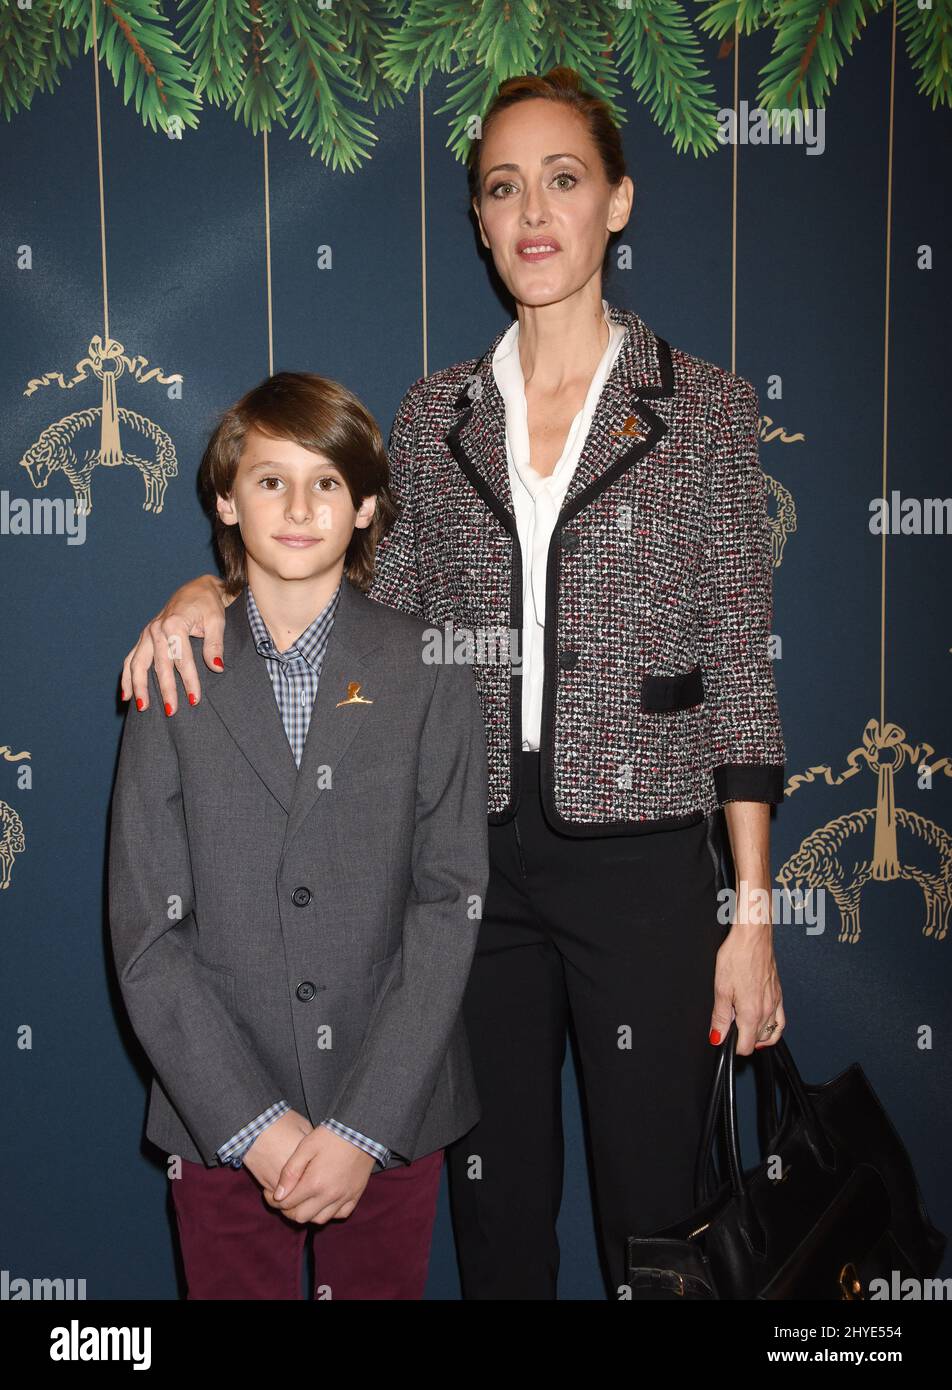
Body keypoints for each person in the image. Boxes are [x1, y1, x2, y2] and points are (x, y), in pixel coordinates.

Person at [118, 67, 787, 1300]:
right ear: (479, 222)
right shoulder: (432, 420)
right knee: (495, 1225)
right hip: (466, 870)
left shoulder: (702, 411)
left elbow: (741, 662)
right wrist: (200, 594)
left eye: (564, 179)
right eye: (502, 186)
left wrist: (750, 916)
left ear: (618, 203)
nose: (533, 210)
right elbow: (358, 605)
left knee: (659, 1226)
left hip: (644, 863)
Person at [108, 371, 489, 1299]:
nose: (298, 506)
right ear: (225, 501)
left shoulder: (430, 668)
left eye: (327, 483)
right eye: (270, 480)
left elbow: (449, 905)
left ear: (365, 508)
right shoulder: (174, 670)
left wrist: (363, 1126)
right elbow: (146, 939)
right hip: (217, 1117)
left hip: (391, 1111)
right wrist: (254, 1124)